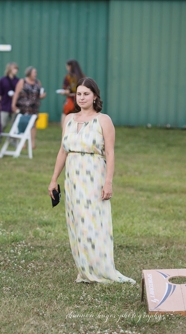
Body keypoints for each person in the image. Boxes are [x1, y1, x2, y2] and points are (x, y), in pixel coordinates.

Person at [47, 78, 133, 284]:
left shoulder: (103, 120)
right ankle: (85, 269)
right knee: (77, 223)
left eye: (86, 94)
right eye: (79, 94)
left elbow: (110, 153)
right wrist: (53, 180)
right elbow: (62, 151)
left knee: (93, 223)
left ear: (95, 96)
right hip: (73, 178)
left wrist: (108, 182)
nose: (82, 98)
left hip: (94, 175)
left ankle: (101, 268)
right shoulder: (69, 119)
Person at [0, 63, 20, 130]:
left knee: (15, 124)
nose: (16, 70)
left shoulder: (18, 81)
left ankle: (13, 139)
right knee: (2, 123)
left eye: (17, 69)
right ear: (9, 69)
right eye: (14, 68)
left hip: (15, 105)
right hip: (4, 105)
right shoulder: (2, 80)